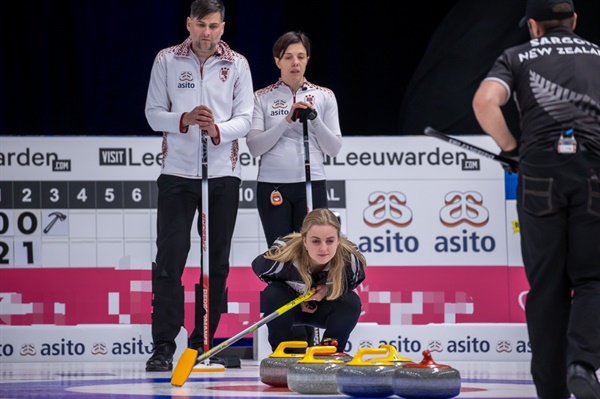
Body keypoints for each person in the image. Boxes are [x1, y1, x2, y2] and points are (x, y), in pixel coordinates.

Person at [472, 0, 600, 397]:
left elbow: (484, 102)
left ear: (533, 27)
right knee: (593, 278)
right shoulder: (597, 54)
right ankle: (583, 362)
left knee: (546, 285)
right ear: (574, 21)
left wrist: (512, 148)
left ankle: (551, 391)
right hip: (594, 172)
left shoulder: (516, 56)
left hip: (540, 173)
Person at [144, 0, 254, 372]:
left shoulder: (237, 63)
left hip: (223, 174)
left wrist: (218, 129)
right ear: (188, 24)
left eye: (214, 26)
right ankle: (163, 347)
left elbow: (246, 117)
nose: (207, 33)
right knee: (170, 260)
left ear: (223, 27)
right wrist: (186, 119)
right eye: (201, 25)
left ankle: (203, 342)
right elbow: (152, 112)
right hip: (177, 173)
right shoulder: (167, 59)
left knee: (216, 263)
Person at [246, 31, 343, 248]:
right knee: (281, 251)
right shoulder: (261, 97)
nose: (295, 62)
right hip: (273, 185)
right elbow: (254, 147)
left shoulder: (324, 95)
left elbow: (334, 148)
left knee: (314, 249)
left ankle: (313, 285)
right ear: (277, 61)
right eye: (288, 57)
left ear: (308, 59)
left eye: (301, 56)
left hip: (312, 183)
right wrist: (287, 120)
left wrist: (315, 120)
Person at [252, 208, 366, 354]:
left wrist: (327, 289)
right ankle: (283, 354)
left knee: (351, 302)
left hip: (324, 308)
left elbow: (350, 284)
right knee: (273, 294)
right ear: (305, 241)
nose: (323, 248)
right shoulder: (284, 253)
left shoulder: (350, 260)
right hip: (291, 306)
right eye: (315, 241)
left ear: (338, 241)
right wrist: (298, 290)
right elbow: (260, 270)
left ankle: (329, 353)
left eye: (330, 241)